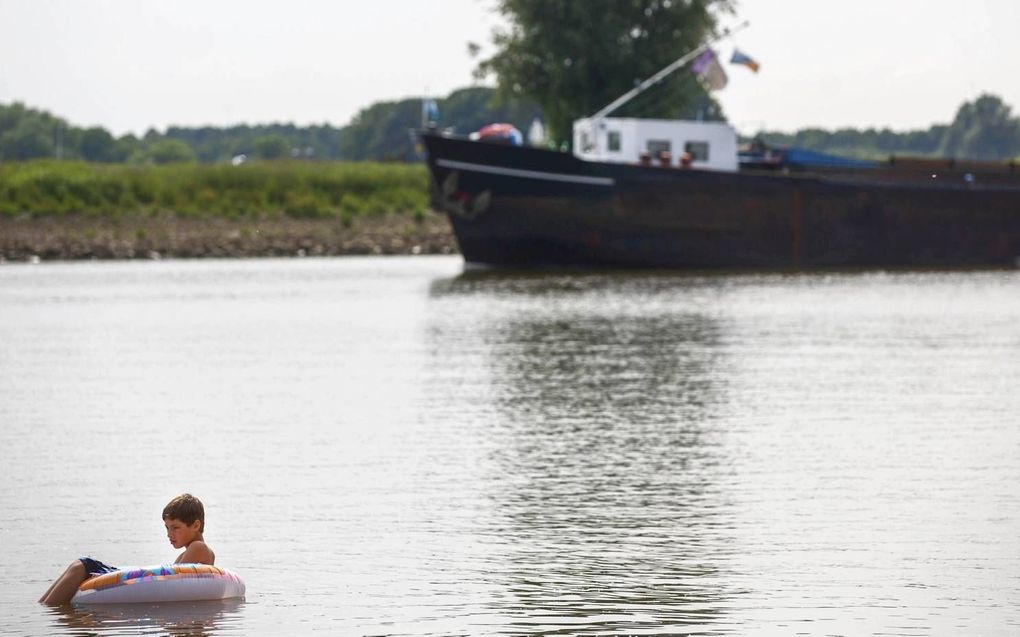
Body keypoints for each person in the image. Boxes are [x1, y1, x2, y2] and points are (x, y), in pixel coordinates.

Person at [39, 493, 215, 605]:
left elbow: (173, 581)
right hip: (122, 576)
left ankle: (43, 613)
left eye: (175, 527)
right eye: (167, 528)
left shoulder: (198, 547)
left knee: (80, 567)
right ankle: (44, 611)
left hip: (122, 577)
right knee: (79, 567)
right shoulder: (194, 549)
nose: (169, 534)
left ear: (196, 525)